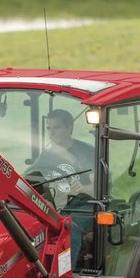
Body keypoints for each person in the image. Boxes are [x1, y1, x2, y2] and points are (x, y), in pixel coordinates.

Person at [30, 109, 96, 268]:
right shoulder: (45, 156)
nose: (52, 133)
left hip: (84, 206)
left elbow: (98, 188)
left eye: (57, 127)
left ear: (69, 128)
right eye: (49, 128)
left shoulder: (87, 152)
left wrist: (82, 189)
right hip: (57, 208)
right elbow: (32, 181)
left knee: (69, 228)